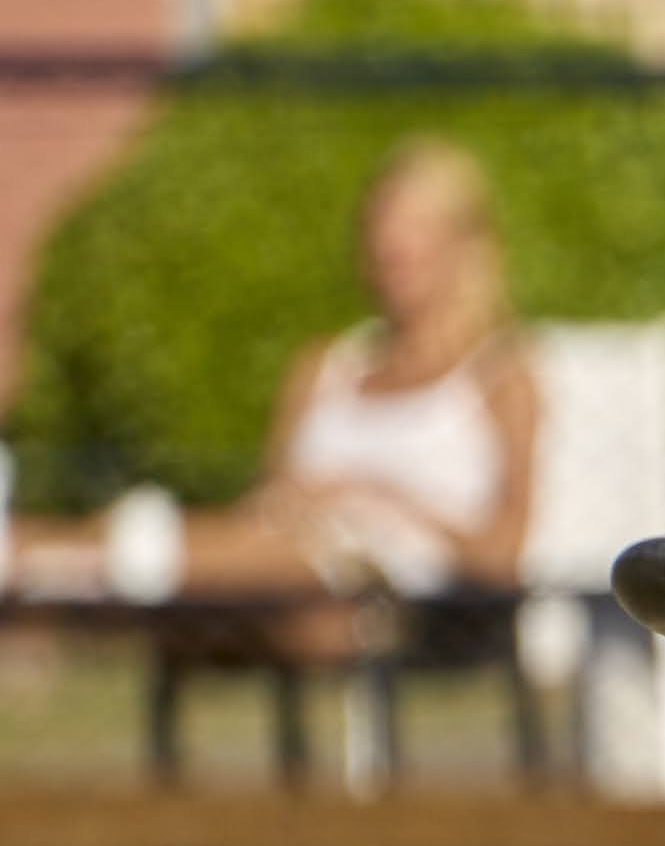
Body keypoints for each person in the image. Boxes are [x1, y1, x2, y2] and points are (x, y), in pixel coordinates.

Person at [1, 138, 541, 628]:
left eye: (412, 235)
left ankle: (72, 559)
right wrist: (295, 501)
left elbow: (503, 556)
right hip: (282, 558)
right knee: (240, 554)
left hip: (395, 590)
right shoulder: (325, 365)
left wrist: (378, 496)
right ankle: (63, 551)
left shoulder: (501, 377)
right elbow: (263, 509)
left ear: (463, 245)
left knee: (279, 568)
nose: (389, 253)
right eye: (380, 234)